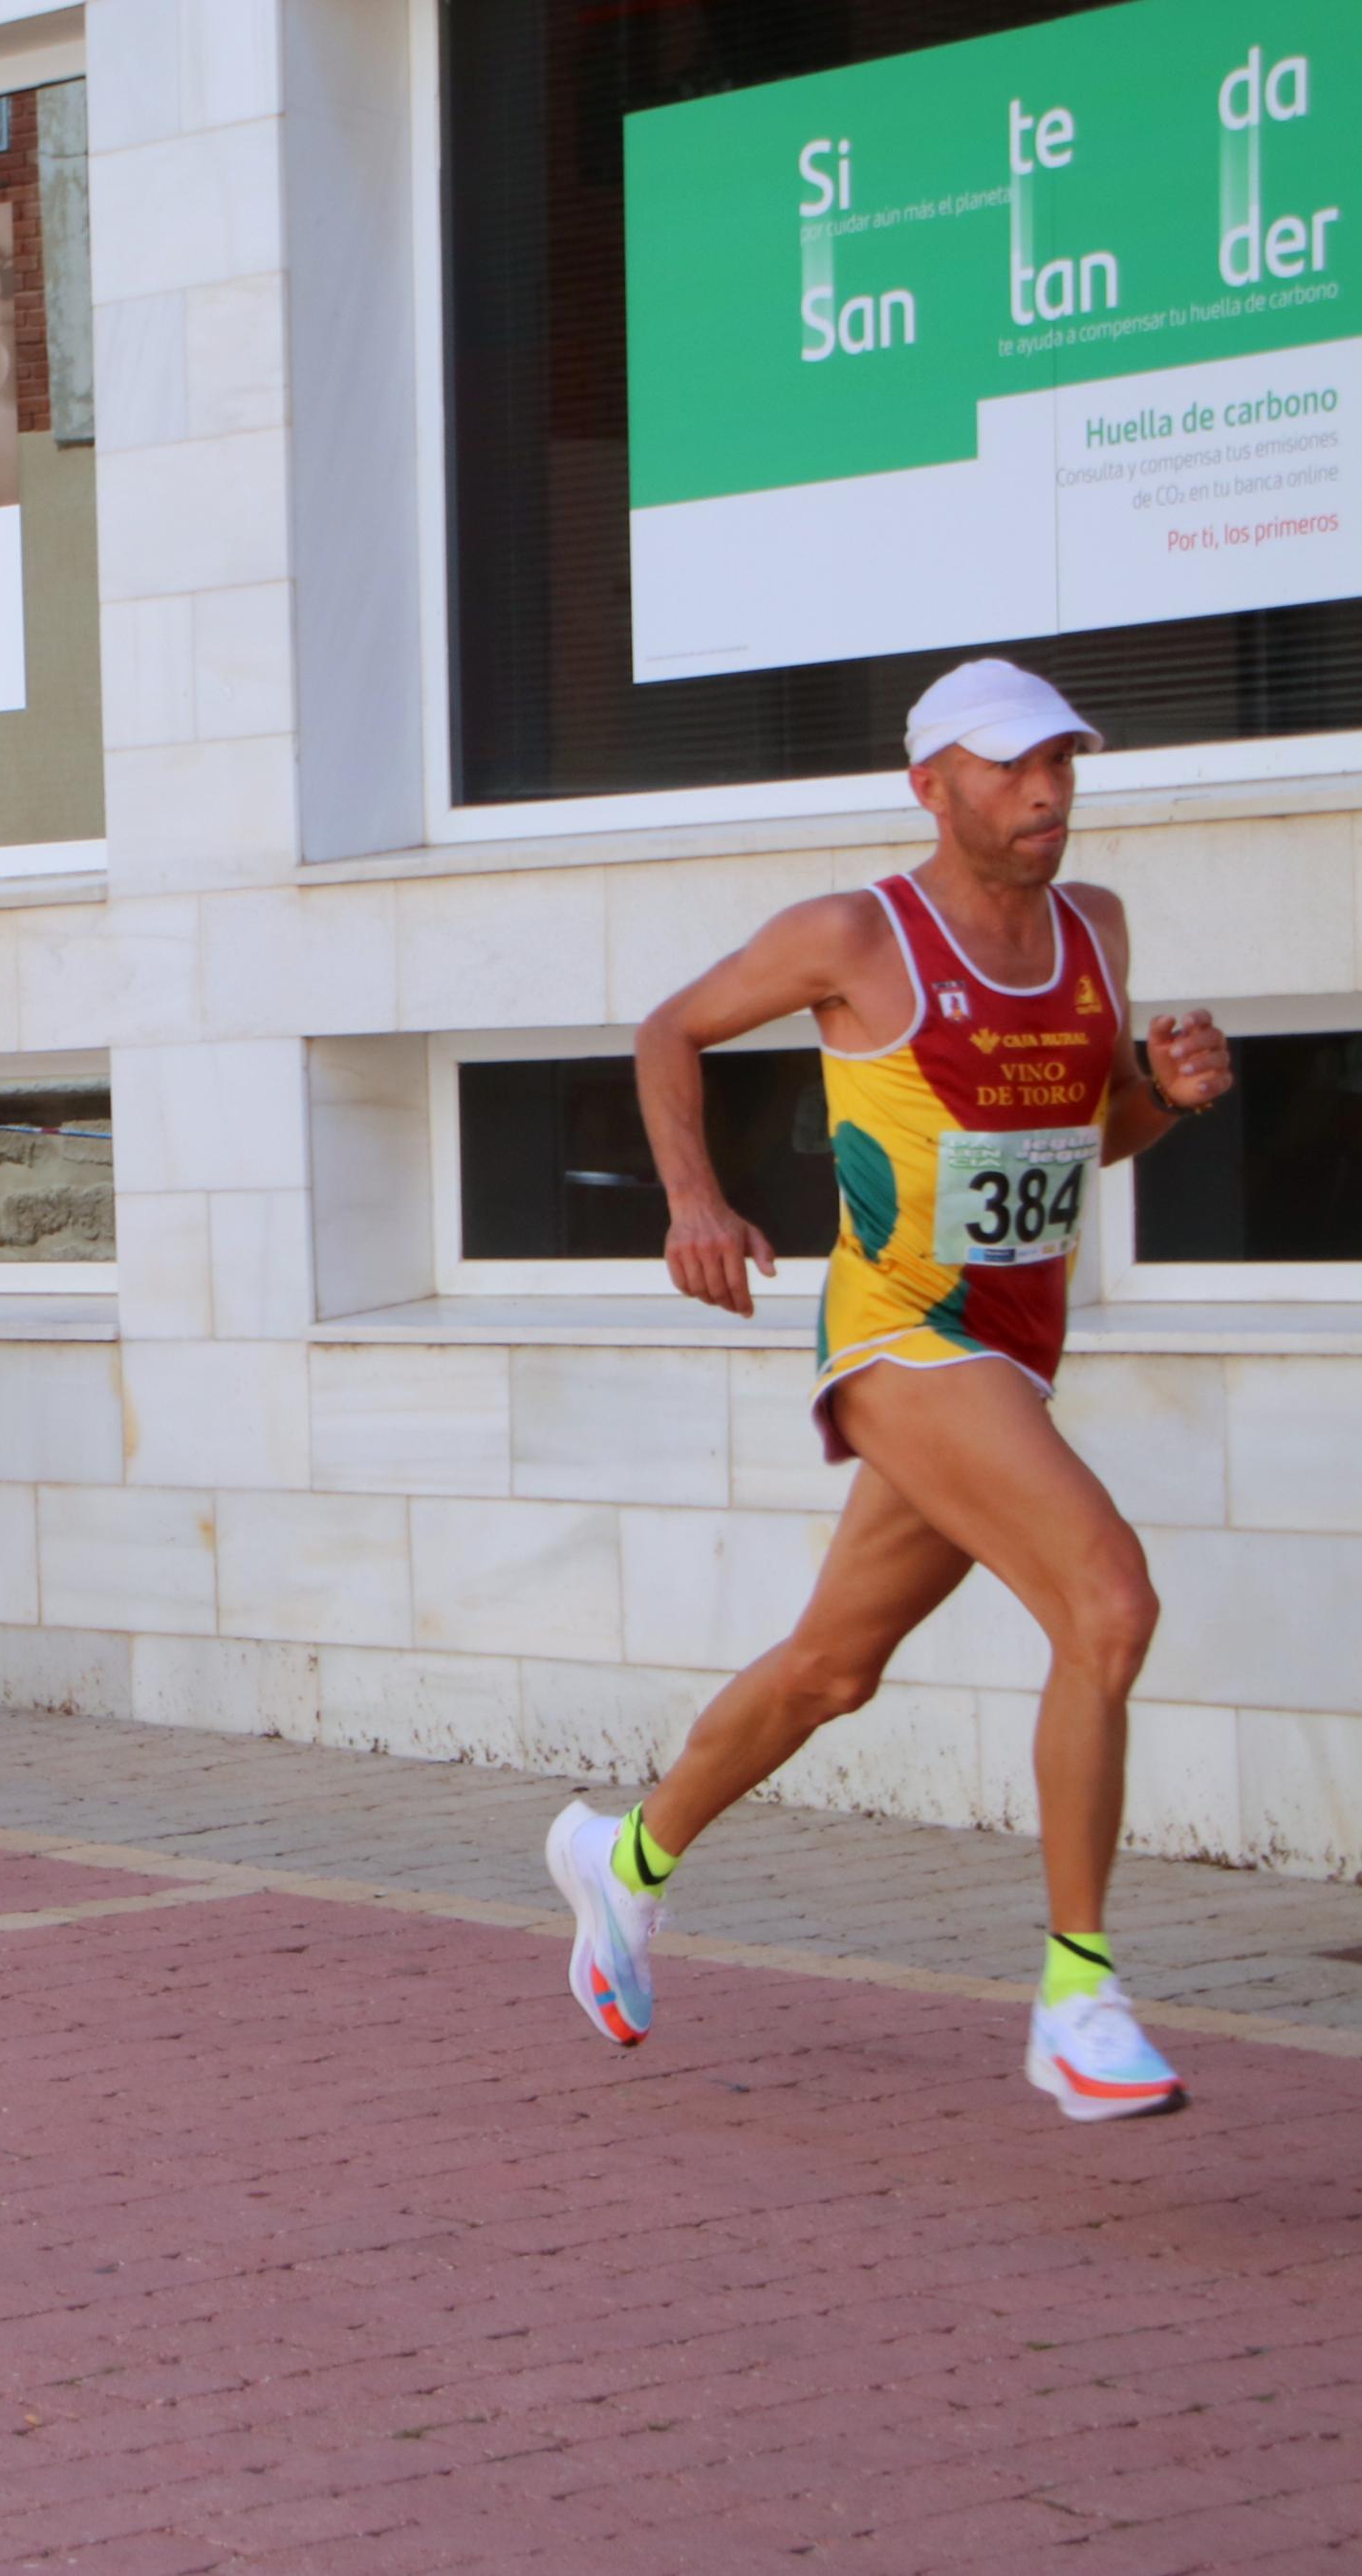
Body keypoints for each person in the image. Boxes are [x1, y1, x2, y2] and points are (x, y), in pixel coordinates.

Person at [545, 660, 1235, 2125]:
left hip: (1014, 1344)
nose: (1041, 789)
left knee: (829, 1668)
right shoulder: (855, 931)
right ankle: (1074, 1994)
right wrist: (691, 1201)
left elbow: (1082, 1141)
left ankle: (623, 1860)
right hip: (901, 1337)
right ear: (927, 785)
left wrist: (1160, 1099)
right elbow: (666, 1028)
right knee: (1105, 1601)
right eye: (1004, 767)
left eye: (1058, 760)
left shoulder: (1094, 929)